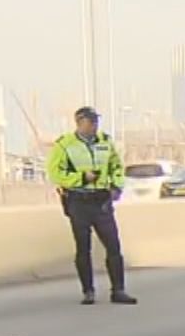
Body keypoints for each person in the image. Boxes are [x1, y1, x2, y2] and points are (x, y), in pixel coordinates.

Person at [46, 106, 136, 305]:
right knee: (83, 247)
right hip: (79, 200)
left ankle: (118, 290)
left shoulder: (105, 141)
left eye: (96, 121)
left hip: (102, 200)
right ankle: (88, 291)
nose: (95, 125)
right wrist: (81, 178)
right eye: (91, 122)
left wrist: (116, 186)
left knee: (113, 245)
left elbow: (116, 166)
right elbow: (55, 173)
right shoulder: (64, 145)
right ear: (79, 123)